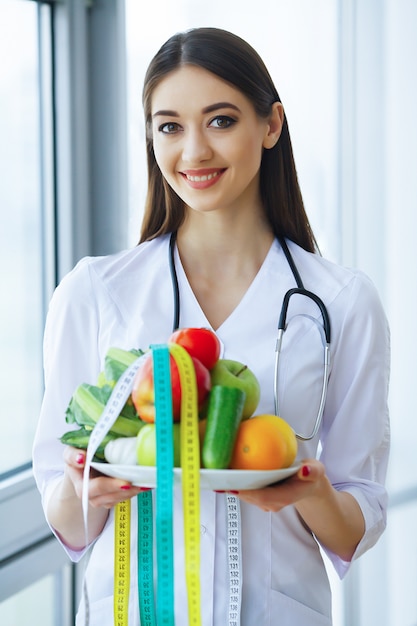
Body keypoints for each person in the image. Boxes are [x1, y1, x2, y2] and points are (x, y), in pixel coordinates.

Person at [32, 27, 390, 626]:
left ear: (271, 125)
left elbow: (356, 527)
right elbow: (66, 521)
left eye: (220, 121)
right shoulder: (94, 293)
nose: (193, 151)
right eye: (170, 126)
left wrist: (309, 490)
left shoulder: (341, 302)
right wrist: (84, 488)